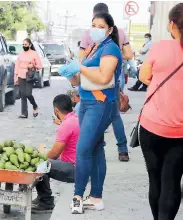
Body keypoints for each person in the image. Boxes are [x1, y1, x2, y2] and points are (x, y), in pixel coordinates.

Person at [138, 3, 183, 220]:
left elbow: (143, 77)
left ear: (171, 24)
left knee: (156, 180)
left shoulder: (159, 48)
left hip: (153, 126)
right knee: (172, 180)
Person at [59, 12, 122, 214]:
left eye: (100, 26)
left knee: (82, 149)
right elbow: (80, 80)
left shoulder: (110, 48)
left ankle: (77, 196)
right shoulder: (93, 48)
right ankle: (96, 198)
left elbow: (104, 77)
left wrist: (80, 67)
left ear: (110, 30)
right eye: (93, 25)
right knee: (94, 149)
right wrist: (71, 75)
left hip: (101, 103)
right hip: (86, 101)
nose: (95, 29)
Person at [79, 2, 130, 162]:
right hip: (114, 78)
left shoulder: (88, 34)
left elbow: (81, 59)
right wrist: (113, 59)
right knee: (114, 115)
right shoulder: (120, 32)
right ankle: (122, 149)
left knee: (95, 114)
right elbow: (129, 53)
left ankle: (95, 148)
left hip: (94, 82)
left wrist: (103, 58)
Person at [32, 94, 79, 212]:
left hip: (75, 169)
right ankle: (43, 198)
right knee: (45, 161)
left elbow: (55, 153)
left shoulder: (66, 125)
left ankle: (46, 201)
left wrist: (40, 157)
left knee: (40, 164)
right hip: (82, 165)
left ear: (56, 110)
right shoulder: (75, 118)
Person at [14, 38, 42, 119]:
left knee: (28, 94)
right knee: (23, 94)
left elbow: (40, 65)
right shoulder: (20, 54)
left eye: (25, 45)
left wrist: (33, 65)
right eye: (23, 45)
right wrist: (15, 76)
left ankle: (35, 106)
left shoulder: (34, 54)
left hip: (29, 76)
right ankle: (24, 113)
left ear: (30, 45)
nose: (24, 46)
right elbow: (17, 66)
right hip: (20, 75)